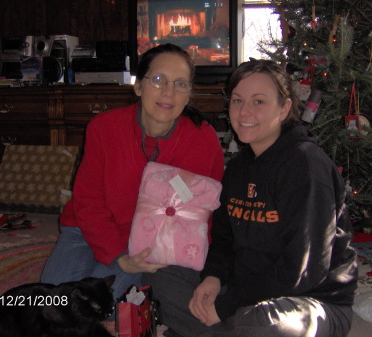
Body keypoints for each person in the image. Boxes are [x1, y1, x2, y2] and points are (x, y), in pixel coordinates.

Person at [143, 59, 358, 337]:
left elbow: (303, 269)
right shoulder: (239, 168)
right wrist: (213, 278)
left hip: (309, 299)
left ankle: (215, 328)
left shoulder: (306, 166)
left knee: (263, 325)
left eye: (259, 102)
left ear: (284, 108)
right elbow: (223, 238)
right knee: (156, 275)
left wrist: (226, 306)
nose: (244, 111)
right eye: (237, 100)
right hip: (243, 289)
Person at [40, 43, 225, 301]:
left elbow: (205, 211)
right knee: (50, 300)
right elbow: (88, 201)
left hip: (150, 242)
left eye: (180, 84)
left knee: (94, 305)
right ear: (138, 86)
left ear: (189, 93)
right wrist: (117, 257)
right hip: (86, 230)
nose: (169, 92)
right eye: (158, 80)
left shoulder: (203, 139)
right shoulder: (104, 128)